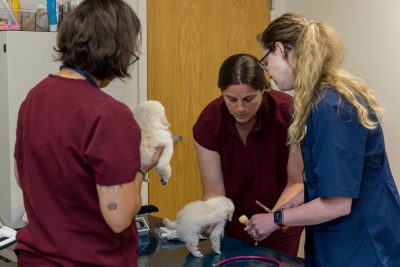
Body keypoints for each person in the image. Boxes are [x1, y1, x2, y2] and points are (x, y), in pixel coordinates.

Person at [13, 0, 162, 266]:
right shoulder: (108, 113)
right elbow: (118, 218)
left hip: (36, 258)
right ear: (116, 50)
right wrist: (141, 168)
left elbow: (22, 176)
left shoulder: (35, 96)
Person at [247, 13, 400, 266]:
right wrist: (285, 209)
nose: (268, 73)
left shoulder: (331, 107)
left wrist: (276, 220)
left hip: (363, 246)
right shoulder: (323, 98)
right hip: (346, 241)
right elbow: (330, 181)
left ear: (280, 49)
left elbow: (338, 203)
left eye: (266, 61)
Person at [193, 53, 304, 256]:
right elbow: (213, 190)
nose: (240, 108)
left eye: (249, 99)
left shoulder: (288, 113)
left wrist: (273, 220)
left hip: (280, 216)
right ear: (222, 93)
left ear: (263, 90)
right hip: (233, 223)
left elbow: (295, 183)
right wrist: (210, 215)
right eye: (231, 99)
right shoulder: (209, 121)